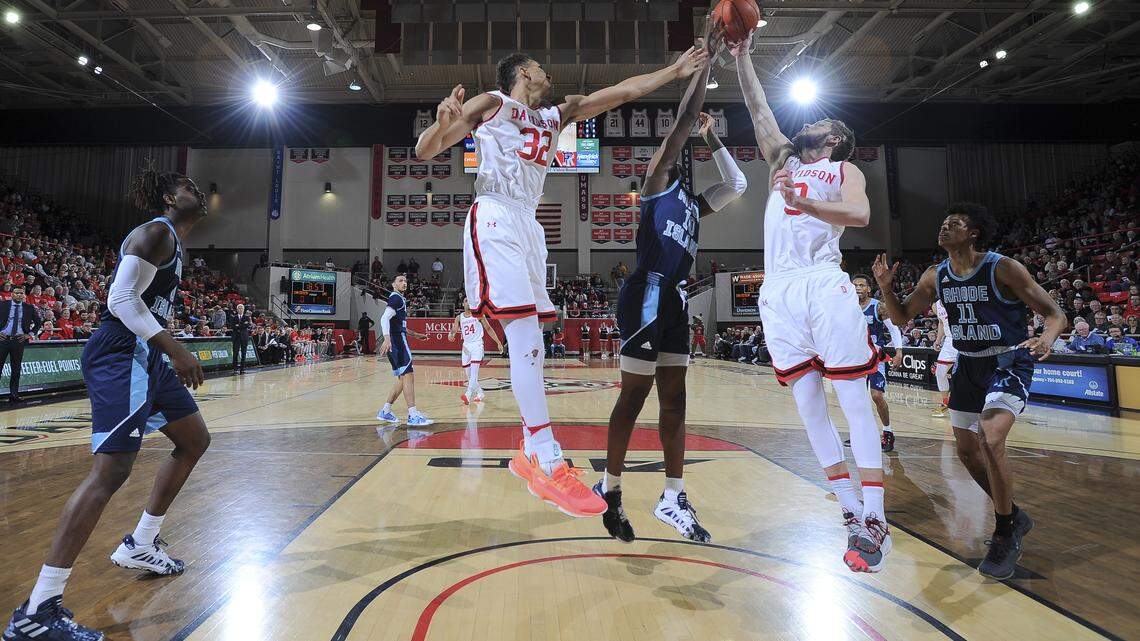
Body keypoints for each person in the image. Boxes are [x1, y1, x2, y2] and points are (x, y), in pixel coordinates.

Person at [415, 42, 709, 517]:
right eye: (539, 66)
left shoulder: (557, 115)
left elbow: (620, 92)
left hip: (528, 225)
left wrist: (674, 69)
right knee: (525, 334)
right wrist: (442, 118)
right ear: (523, 71)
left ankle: (533, 450)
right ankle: (546, 456)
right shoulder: (493, 103)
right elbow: (426, 150)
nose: (547, 71)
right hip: (494, 214)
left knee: (532, 339)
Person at [4, 168, 209, 641]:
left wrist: (165, 349)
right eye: (188, 187)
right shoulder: (156, 231)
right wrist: (175, 347)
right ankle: (38, 609)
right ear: (166, 197)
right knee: (111, 472)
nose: (196, 191)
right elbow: (120, 298)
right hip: (122, 353)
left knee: (194, 439)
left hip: (148, 356)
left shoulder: (174, 242)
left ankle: (141, 542)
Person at [736, 32, 888, 573]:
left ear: (835, 141)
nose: (808, 124)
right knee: (807, 406)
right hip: (778, 289)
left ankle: (875, 514)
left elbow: (860, 216)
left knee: (852, 399)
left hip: (823, 282)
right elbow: (757, 107)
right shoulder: (782, 157)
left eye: (821, 125)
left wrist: (803, 200)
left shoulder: (844, 169)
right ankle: (848, 508)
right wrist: (742, 56)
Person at [597, 46, 746, 545]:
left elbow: (739, 183)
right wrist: (701, 71)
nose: (675, 149)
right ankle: (612, 487)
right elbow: (681, 122)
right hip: (645, 291)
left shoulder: (694, 205)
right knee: (634, 397)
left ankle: (673, 495)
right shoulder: (656, 185)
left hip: (676, 298)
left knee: (676, 401)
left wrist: (715, 140)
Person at [873, 202, 1067, 579]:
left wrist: (1046, 338)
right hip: (968, 364)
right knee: (966, 451)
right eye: (943, 224)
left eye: (955, 224)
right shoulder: (936, 275)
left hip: (1007, 362)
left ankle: (1005, 530)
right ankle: (1013, 514)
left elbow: (1055, 313)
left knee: (990, 439)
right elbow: (901, 317)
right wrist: (885, 289)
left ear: (973, 232)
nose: (944, 228)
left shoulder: (1003, 267)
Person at [851, 274, 903, 452]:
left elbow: (894, 329)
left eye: (861, 285)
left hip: (875, 358)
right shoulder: (847, 307)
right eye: (855, 285)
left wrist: (899, 351)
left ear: (868, 289)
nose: (858, 288)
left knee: (877, 396)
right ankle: (861, 433)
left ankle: (887, 432)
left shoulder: (878, 306)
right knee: (856, 400)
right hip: (855, 358)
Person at [376, 274, 433, 426]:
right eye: (400, 281)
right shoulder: (395, 298)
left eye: (405, 281)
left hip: (395, 342)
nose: (404, 283)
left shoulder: (399, 299)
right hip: (396, 342)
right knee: (408, 376)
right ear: (394, 285)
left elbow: (398, 324)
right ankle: (413, 415)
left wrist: (415, 335)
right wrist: (387, 338)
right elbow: (384, 318)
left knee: (402, 379)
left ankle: (385, 411)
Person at [447, 295, 504, 404]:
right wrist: (451, 334)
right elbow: (454, 329)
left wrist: (498, 342)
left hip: (477, 345)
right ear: (463, 304)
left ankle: (467, 395)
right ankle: (480, 393)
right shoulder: (459, 317)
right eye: (465, 301)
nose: (468, 302)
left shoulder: (479, 315)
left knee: (474, 374)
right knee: (469, 375)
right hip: (466, 346)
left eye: (469, 300)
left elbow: (488, 328)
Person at [0, 285, 42, 404]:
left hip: (18, 341)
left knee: (16, 369)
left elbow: (38, 323)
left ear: (24, 295)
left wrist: (29, 335)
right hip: (2, 340)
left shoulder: (29, 308)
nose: (19, 295)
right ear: (12, 294)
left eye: (21, 293)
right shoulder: (2, 305)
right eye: (17, 293)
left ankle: (14, 395)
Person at [931, 300, 959, 418]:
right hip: (949, 340)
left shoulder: (957, 297)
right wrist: (938, 340)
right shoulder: (935, 305)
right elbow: (941, 323)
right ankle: (945, 402)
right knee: (940, 371)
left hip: (964, 337)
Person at [229, 303, 253, 373]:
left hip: (244, 337)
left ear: (244, 309)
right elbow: (232, 326)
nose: (240, 309)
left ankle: (242, 369)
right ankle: (235, 369)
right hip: (236, 337)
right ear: (237, 309)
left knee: (244, 353)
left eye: (241, 308)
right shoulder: (234, 317)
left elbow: (246, 325)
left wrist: (238, 326)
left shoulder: (247, 317)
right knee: (235, 353)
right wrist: (241, 325)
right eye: (239, 308)